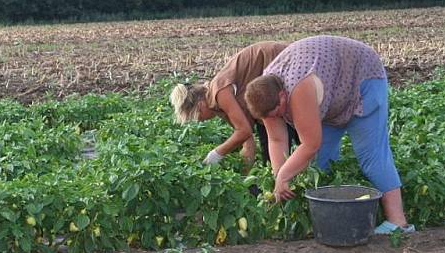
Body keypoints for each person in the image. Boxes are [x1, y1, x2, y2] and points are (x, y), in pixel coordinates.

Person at [244, 35, 413, 234]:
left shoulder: (299, 88)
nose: (278, 118)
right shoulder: (264, 93)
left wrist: (284, 175)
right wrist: (279, 180)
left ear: (282, 96)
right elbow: (276, 138)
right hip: (333, 93)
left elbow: (310, 144)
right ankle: (330, 217)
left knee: (371, 155)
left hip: (362, 78)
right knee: (321, 163)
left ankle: (398, 222)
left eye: (278, 112)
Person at [169, 41, 298, 170]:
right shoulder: (219, 108)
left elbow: (244, 131)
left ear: (200, 103)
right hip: (268, 85)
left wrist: (216, 154)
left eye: (197, 115)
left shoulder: (219, 92)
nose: (199, 120)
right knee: (268, 147)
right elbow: (247, 142)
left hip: (280, 60)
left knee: (294, 127)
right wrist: (245, 178)